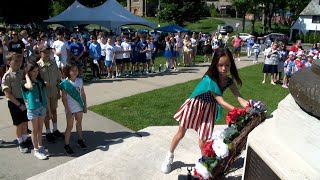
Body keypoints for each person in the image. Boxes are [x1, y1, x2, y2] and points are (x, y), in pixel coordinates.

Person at [160, 48, 248, 174]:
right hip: (195, 106)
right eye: (220, 65)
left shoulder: (228, 81)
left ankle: (205, 165)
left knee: (203, 141)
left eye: (227, 65)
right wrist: (239, 111)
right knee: (181, 133)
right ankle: (170, 155)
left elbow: (240, 98)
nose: (224, 68)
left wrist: (249, 106)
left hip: (208, 111)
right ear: (215, 64)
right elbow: (221, 101)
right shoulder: (209, 79)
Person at [1, 52, 31, 153]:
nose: (18, 63)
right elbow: (7, 94)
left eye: (19, 61)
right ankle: (20, 142)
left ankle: (25, 139)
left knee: (25, 122)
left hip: (23, 100)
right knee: (19, 124)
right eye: (16, 61)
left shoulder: (21, 72)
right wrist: (19, 104)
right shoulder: (7, 76)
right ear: (9, 62)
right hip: (14, 102)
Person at [21, 62, 50, 160]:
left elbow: (44, 94)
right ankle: (36, 150)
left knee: (40, 129)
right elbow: (30, 87)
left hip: (42, 106)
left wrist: (47, 107)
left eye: (37, 71)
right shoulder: (24, 82)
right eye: (33, 71)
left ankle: (40, 146)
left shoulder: (39, 82)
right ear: (28, 72)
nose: (36, 73)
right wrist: (27, 76)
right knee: (35, 129)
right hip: (33, 108)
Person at [37, 45, 64, 144]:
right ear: (40, 53)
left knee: (54, 110)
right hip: (44, 93)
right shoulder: (38, 65)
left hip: (53, 91)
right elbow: (35, 80)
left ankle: (55, 130)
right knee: (47, 113)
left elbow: (58, 79)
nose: (47, 53)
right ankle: (48, 132)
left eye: (48, 51)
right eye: (45, 51)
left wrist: (58, 91)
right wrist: (42, 83)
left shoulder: (53, 63)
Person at [60, 63, 87, 156]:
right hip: (70, 108)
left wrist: (85, 105)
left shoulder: (80, 81)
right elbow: (63, 98)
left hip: (79, 106)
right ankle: (66, 145)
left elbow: (82, 94)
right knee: (69, 127)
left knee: (79, 123)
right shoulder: (65, 83)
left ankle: (80, 140)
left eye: (76, 70)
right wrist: (68, 110)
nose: (75, 72)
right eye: (73, 70)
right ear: (68, 72)